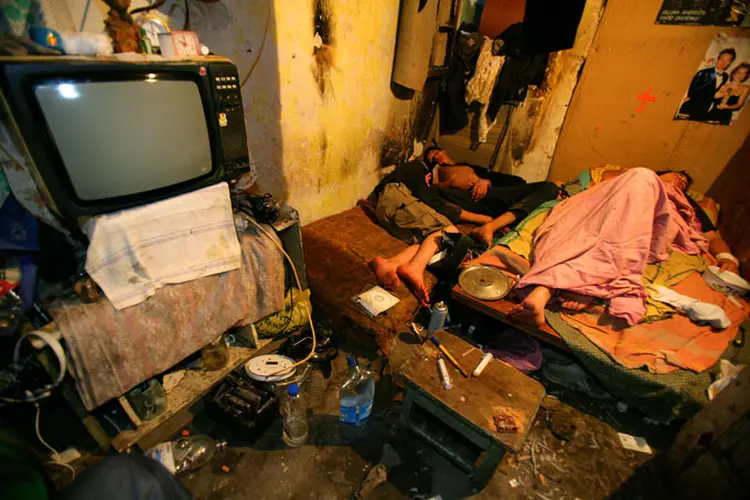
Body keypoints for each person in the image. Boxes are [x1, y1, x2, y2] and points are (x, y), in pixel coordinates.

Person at [478, 169, 739, 327]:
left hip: (641, 220)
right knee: (574, 229)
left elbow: (713, 237)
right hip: (607, 204)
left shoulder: (688, 205)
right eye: (677, 177)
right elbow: (594, 193)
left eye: (685, 183)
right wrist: (641, 178)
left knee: (616, 238)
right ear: (662, 174)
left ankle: (544, 290)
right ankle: (565, 287)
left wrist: (729, 259)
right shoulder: (635, 177)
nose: (680, 182)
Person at [423, 147, 561, 246]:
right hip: (478, 201)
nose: (437, 158)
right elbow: (433, 192)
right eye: (433, 159)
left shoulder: (466, 166)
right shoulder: (438, 176)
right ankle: (493, 226)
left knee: (551, 188)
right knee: (550, 188)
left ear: (444, 151)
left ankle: (499, 223)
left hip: (497, 194)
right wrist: (447, 183)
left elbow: (514, 181)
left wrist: (486, 181)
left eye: (436, 153)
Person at [678, 47, 736, 121]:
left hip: (706, 110)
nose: (723, 63)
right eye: (721, 59)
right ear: (718, 59)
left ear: (730, 63)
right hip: (692, 108)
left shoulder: (725, 76)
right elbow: (693, 92)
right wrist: (714, 95)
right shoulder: (703, 72)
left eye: (726, 61)